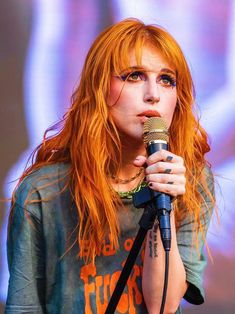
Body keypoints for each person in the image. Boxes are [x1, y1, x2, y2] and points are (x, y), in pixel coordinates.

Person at [5, 18, 215, 314]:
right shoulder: (44, 191)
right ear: (100, 88)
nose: (153, 93)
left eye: (167, 79)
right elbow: (23, 307)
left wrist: (160, 207)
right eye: (134, 76)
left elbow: (163, 306)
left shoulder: (189, 181)